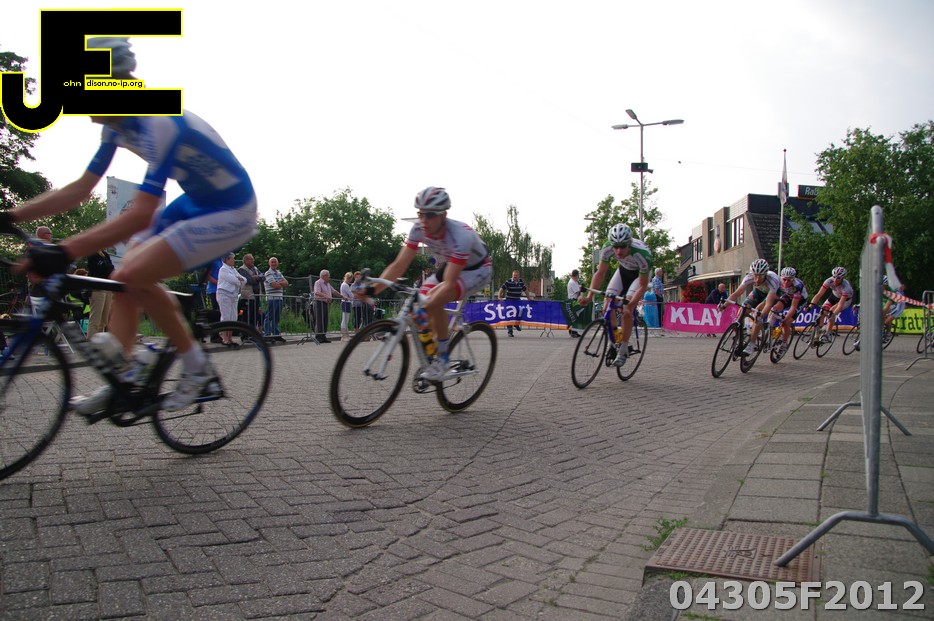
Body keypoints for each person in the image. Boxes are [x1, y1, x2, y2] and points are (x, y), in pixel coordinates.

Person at [1, 37, 258, 414]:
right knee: (123, 278)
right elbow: (80, 189)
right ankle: (123, 382)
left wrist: (64, 251)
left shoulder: (160, 121)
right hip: (196, 202)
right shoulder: (116, 126)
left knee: (133, 273)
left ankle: (197, 369)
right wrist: (10, 216)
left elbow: (140, 214)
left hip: (232, 210)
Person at [361, 186, 491, 381]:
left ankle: (443, 359)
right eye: (420, 214)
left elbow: (449, 284)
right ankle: (433, 349)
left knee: (433, 302)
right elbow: (398, 266)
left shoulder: (460, 235)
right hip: (452, 264)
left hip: (477, 269)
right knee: (420, 308)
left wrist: (428, 304)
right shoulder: (417, 229)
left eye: (429, 215)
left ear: (443, 215)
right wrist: (372, 290)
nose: (423, 220)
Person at [578, 223, 652, 367]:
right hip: (623, 271)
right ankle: (613, 341)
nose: (618, 251)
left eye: (622, 247)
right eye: (615, 246)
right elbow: (600, 273)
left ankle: (623, 349)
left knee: (626, 311)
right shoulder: (607, 248)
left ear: (629, 244)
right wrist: (589, 297)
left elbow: (643, 286)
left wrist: (630, 305)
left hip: (639, 275)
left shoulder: (642, 254)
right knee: (607, 306)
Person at [719, 259, 781, 356]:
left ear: (765, 274)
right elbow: (736, 293)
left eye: (760, 276)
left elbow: (768, 304)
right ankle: (740, 340)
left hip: (771, 294)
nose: (757, 279)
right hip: (759, 291)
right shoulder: (749, 277)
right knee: (742, 310)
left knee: (758, 314)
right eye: (755, 275)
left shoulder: (773, 280)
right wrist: (724, 305)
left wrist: (761, 316)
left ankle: (752, 344)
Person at [808, 266, 853, 343]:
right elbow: (819, 294)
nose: (835, 280)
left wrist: (832, 314)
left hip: (845, 300)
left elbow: (840, 305)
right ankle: (819, 332)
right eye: (834, 277)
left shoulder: (846, 287)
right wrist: (810, 306)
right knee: (822, 311)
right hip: (834, 296)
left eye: (838, 278)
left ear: (842, 278)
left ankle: (828, 334)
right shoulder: (829, 281)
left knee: (832, 311)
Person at [771, 267, 809, 354]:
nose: (786, 282)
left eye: (789, 280)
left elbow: (793, 307)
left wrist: (784, 319)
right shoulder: (778, 281)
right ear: (781, 278)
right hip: (788, 295)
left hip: (800, 301)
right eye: (784, 279)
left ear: (793, 279)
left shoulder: (797, 286)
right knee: (774, 309)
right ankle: (770, 330)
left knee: (786, 323)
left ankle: (784, 343)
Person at [216, 252, 246, 347]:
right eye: (232, 258)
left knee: (233, 317)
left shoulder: (233, 269)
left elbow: (244, 280)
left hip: (233, 295)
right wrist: (239, 280)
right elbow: (233, 280)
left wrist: (239, 280)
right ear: (227, 259)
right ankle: (225, 338)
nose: (233, 260)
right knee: (226, 316)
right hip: (224, 294)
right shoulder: (223, 269)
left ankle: (230, 338)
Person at [85, 248, 115, 337]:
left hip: (107, 287)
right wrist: (107, 268)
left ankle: (99, 340)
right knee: (95, 319)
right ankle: (91, 341)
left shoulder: (106, 255)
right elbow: (99, 270)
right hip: (97, 288)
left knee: (104, 320)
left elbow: (111, 269)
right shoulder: (92, 254)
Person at [498, 270, 535, 337]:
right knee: (509, 316)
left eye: (516, 275)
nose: (515, 276)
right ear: (512, 275)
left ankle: (516, 324)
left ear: (518, 276)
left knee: (521, 312)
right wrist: (499, 297)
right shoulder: (508, 281)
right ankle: (510, 332)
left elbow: (525, 290)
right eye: (514, 275)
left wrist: (529, 298)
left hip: (517, 300)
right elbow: (501, 289)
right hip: (509, 301)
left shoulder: (521, 282)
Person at [312, 269, 341, 344]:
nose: (329, 278)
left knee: (325, 320)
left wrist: (342, 296)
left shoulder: (328, 284)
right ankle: (318, 337)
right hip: (319, 303)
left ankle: (323, 336)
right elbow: (317, 292)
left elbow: (333, 291)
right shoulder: (318, 282)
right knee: (320, 320)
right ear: (324, 276)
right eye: (328, 276)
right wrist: (326, 296)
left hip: (326, 303)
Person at [263, 257, 288, 342]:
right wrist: (280, 283)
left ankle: (276, 334)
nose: (274, 264)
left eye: (275, 262)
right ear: (269, 263)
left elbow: (286, 283)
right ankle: (267, 334)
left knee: (277, 317)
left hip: (279, 297)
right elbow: (274, 285)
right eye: (272, 262)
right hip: (271, 298)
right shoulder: (268, 273)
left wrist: (278, 283)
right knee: (269, 316)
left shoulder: (279, 273)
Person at [237, 253, 264, 332]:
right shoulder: (242, 269)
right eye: (251, 259)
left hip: (256, 296)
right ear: (246, 260)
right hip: (247, 296)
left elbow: (263, 276)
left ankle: (252, 333)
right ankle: (245, 334)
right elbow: (249, 280)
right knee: (247, 316)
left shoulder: (255, 269)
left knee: (254, 316)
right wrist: (258, 279)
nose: (253, 261)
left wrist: (257, 277)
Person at [566, 269, 582, 338]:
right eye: (578, 275)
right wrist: (581, 289)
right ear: (576, 275)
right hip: (573, 301)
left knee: (575, 316)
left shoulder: (574, 282)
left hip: (574, 300)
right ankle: (573, 331)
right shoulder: (572, 282)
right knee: (575, 316)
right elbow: (578, 291)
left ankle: (573, 331)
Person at [339, 271, 354, 341]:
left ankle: (346, 335)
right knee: (345, 319)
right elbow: (350, 295)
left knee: (345, 319)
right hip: (346, 303)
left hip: (346, 303)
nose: (351, 280)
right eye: (351, 279)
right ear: (349, 278)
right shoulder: (345, 285)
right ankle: (344, 336)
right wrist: (353, 296)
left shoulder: (344, 284)